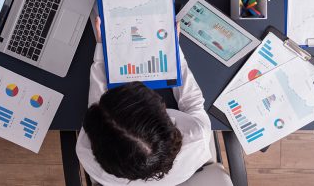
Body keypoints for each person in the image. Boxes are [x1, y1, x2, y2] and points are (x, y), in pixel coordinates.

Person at [76, 18, 212, 185]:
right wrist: (172, 51)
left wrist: (102, 53)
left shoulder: (85, 152)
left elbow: (96, 107)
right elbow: (193, 102)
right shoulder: (197, 137)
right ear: (162, 112)